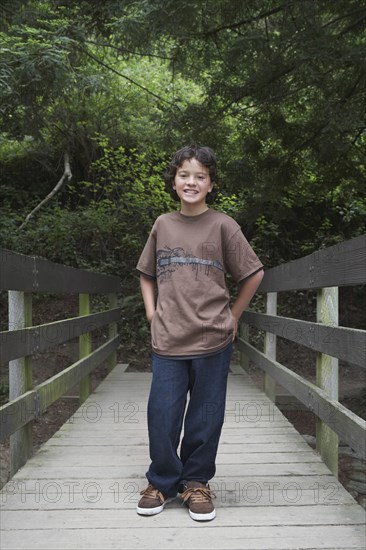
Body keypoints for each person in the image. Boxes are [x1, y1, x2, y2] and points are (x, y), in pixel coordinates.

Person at [135, 145, 264, 521]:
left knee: (206, 416)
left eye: (200, 176)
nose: (191, 182)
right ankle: (160, 481)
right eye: (184, 175)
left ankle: (195, 483)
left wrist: (234, 314)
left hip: (213, 338)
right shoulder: (163, 224)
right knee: (162, 413)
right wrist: (151, 312)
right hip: (168, 338)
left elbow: (253, 273)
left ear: (211, 184)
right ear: (174, 181)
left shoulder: (223, 225)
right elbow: (146, 273)